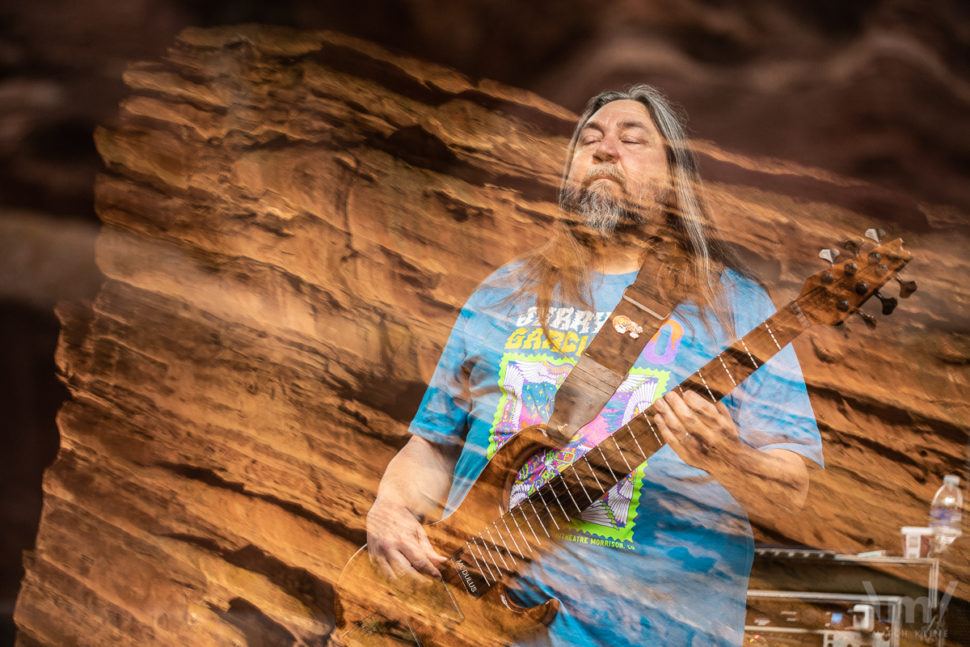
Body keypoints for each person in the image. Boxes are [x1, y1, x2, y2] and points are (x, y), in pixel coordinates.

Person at [365, 84, 824, 646]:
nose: (605, 150)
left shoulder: (736, 309)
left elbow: (793, 489)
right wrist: (389, 508)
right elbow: (433, 445)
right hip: (468, 623)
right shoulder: (503, 294)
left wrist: (730, 459)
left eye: (632, 140)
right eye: (589, 140)